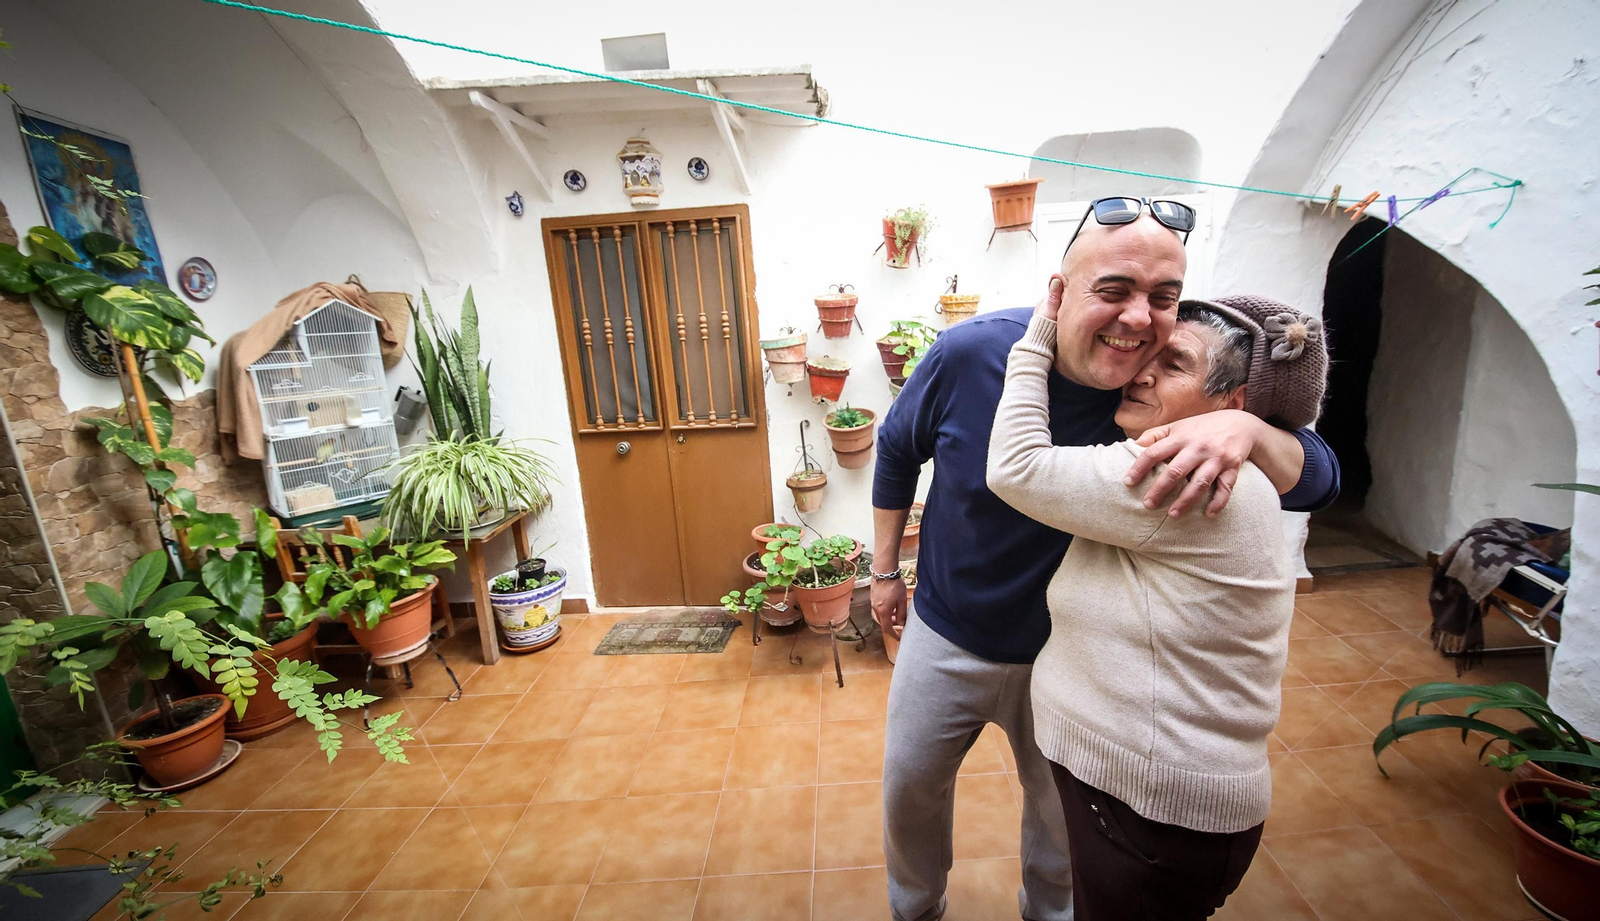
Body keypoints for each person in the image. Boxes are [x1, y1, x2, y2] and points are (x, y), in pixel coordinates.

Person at [872, 198, 1340, 921]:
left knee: (1059, 825)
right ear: (1061, 290)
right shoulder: (974, 354)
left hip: (1062, 661)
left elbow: (1319, 476)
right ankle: (915, 908)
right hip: (946, 629)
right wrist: (880, 571)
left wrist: (1245, 423)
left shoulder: (1158, 397)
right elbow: (898, 448)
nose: (1137, 323)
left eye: (1162, 299)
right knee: (910, 789)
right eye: (1114, 290)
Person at [987, 293, 1328, 919]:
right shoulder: (1220, 463)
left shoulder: (1180, 473)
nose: (1142, 371)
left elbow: (1015, 468)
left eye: (1174, 365)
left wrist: (1038, 338)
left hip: (1154, 814)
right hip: (1155, 804)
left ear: (1233, 404)